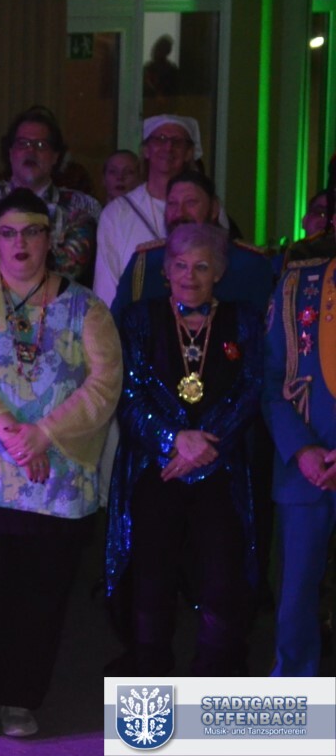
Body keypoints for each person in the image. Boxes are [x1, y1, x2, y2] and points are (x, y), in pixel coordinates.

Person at [0, 188, 121, 739]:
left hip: (55, 478)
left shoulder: (86, 306)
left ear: (49, 239)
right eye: (7, 233)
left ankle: (18, 697)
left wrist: (44, 434)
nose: (19, 244)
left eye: (31, 231)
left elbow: (106, 381)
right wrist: (13, 433)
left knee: (39, 598)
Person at [106, 223, 262, 675]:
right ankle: (150, 673)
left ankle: (214, 678)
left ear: (219, 272)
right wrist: (174, 439)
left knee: (222, 577)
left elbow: (252, 390)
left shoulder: (245, 320)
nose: (189, 276)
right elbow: (128, 396)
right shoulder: (138, 319)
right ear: (166, 271)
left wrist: (205, 445)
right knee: (151, 576)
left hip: (221, 469)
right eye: (180, 265)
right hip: (155, 468)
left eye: (202, 266)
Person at [264, 247, 336, 677]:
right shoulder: (295, 285)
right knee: (295, 600)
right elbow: (269, 379)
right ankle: (296, 696)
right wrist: (300, 448)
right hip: (307, 465)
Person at [109, 171, 273, 323]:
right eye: (172, 204)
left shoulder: (251, 264)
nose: (179, 213)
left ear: (214, 209)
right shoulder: (145, 263)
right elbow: (115, 329)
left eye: (191, 202)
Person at [94, 114, 213, 306]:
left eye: (177, 142)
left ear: (189, 153)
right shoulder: (117, 213)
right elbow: (106, 289)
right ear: (146, 150)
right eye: (160, 139)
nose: (168, 147)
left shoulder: (207, 207)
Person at [0, 107, 102, 284]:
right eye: (23, 144)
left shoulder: (80, 207)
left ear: (55, 156)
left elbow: (69, 270)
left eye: (41, 145)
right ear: (10, 152)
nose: (31, 151)